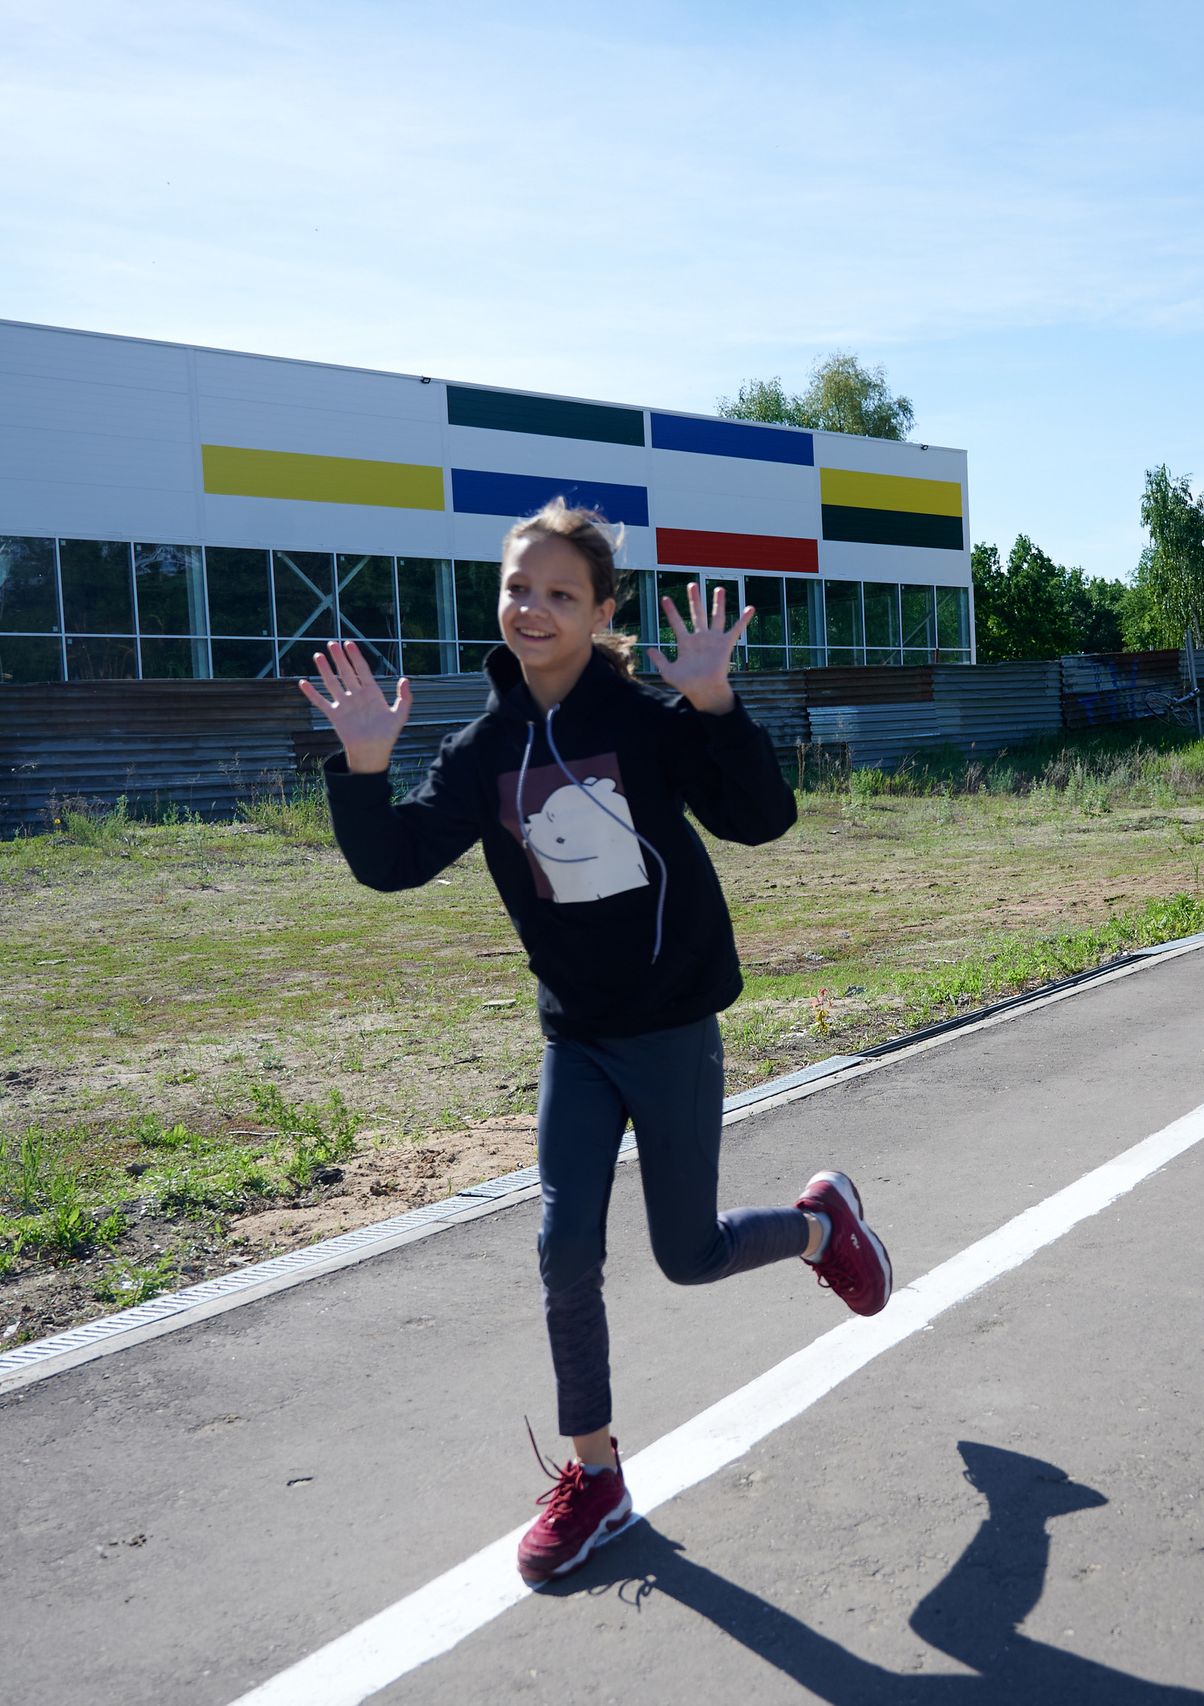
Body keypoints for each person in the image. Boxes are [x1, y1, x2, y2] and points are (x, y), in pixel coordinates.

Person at [302, 500, 894, 1587]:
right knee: (564, 1247)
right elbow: (392, 863)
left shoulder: (650, 721)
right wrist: (362, 767)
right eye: (519, 588)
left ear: (600, 610)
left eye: (560, 593)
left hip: (669, 1026)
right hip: (576, 1038)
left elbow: (761, 819)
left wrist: (715, 702)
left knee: (687, 1253)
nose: (533, 608)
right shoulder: (481, 749)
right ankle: (598, 1477)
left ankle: (818, 1227)